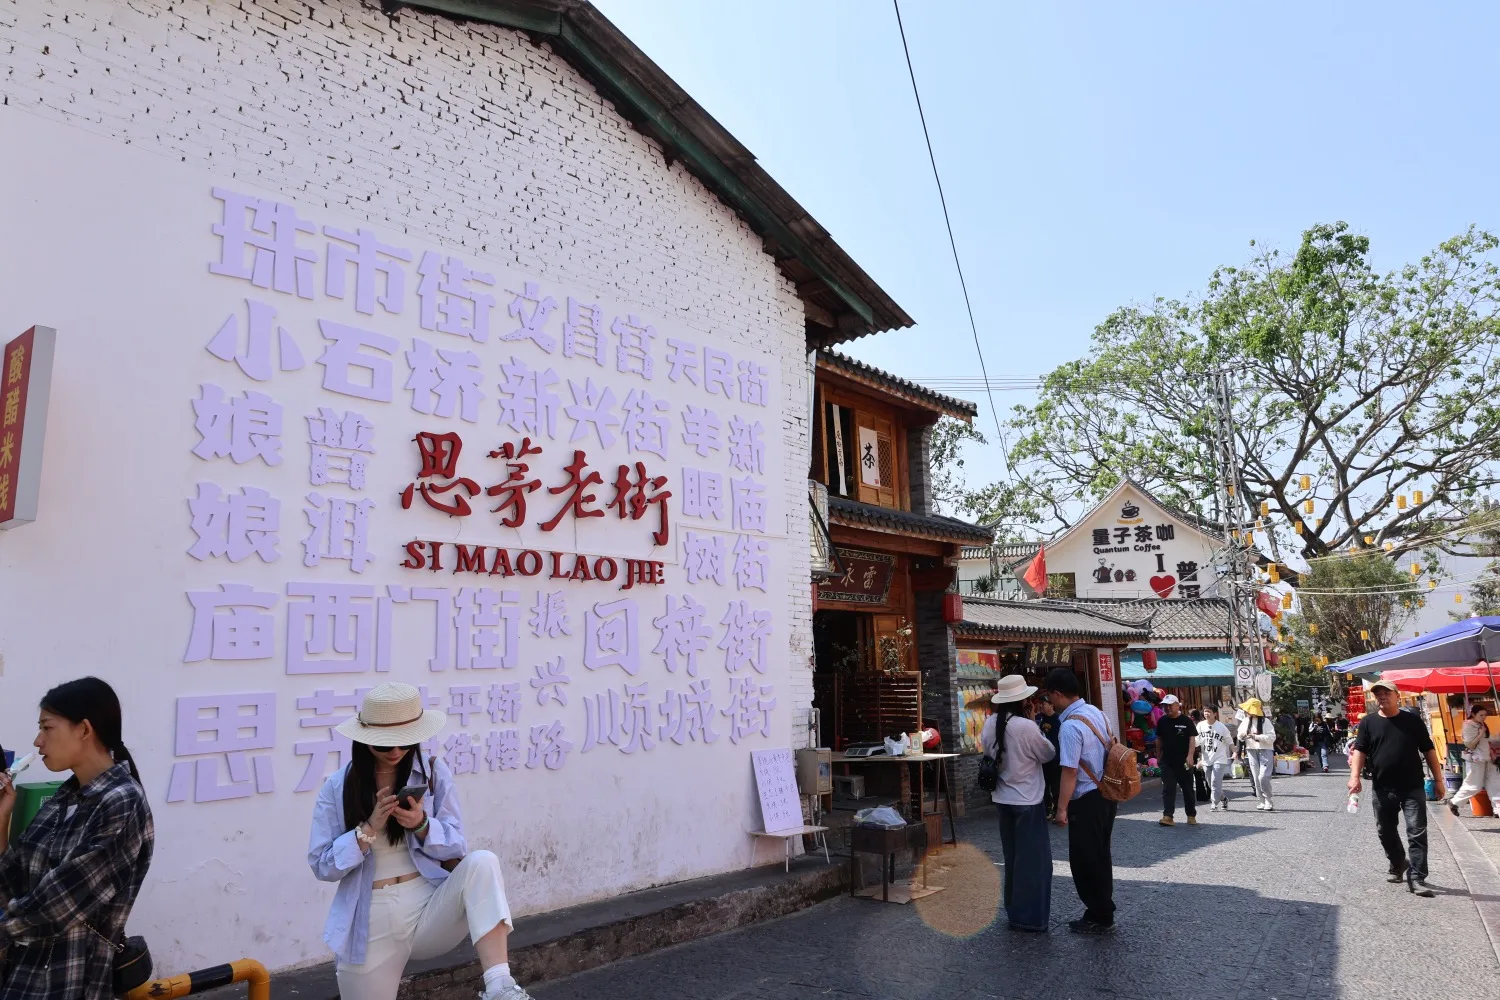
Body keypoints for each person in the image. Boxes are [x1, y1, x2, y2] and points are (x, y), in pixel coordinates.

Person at [309, 683, 532, 1000]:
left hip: (427, 907)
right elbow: (322, 865)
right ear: (365, 740)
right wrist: (367, 830)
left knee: (483, 862)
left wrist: (423, 825)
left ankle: (500, 986)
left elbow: (458, 847)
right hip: (369, 922)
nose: (396, 752)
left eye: (405, 742)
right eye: (385, 746)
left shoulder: (432, 772)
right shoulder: (338, 787)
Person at [0, 677, 155, 1000]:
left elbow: (57, 905)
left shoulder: (121, 802)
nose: (38, 741)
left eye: (47, 728)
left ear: (84, 729)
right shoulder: (65, 797)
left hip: (68, 982)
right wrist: (2, 820)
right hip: (22, 975)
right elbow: (14, 879)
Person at [1348, 679, 1447, 897]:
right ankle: (1397, 863)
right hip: (1383, 786)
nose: (1382, 697)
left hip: (1413, 785)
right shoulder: (1368, 723)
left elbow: (1429, 750)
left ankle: (1417, 877)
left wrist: (1439, 780)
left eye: (1387, 693)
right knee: (1385, 830)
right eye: (1378, 694)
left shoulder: (1412, 721)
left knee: (1416, 832)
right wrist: (1354, 777)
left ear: (1397, 696)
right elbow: (1360, 751)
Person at [980, 675, 1056, 933]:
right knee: (1035, 861)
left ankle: (1014, 911)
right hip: (1028, 799)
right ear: (1023, 700)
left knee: (1012, 857)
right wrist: (1034, 722)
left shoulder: (990, 723)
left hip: (1002, 798)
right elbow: (1048, 754)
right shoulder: (1025, 727)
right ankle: (1031, 917)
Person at [1048, 667, 1117, 935]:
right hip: (1106, 794)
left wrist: (1061, 808)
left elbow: (1069, 770)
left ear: (1057, 693)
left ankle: (1099, 914)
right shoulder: (1098, 713)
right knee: (1100, 854)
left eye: (1049, 697)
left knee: (1085, 858)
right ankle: (1102, 909)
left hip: (1086, 798)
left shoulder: (1070, 726)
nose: (1049, 703)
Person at [1155, 695, 1199, 826]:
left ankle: (1191, 814)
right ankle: (1168, 816)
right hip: (1167, 761)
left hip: (1184, 761)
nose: (1167, 708)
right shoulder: (1162, 721)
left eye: (1170, 705)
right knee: (1168, 788)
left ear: (1177, 705)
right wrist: (1158, 756)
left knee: (1188, 789)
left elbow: (1192, 739)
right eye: (1165, 705)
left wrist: (1190, 756)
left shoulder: (1186, 721)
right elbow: (1159, 739)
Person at [1448, 705, 1499, 817]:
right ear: (1473, 714)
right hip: (1476, 759)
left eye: (1485, 715)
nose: (1484, 717)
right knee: (1474, 784)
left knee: (1494, 783)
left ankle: (1497, 809)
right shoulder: (1468, 726)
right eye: (1481, 715)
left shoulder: (1481, 724)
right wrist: (1480, 733)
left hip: (1487, 757)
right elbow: (1469, 744)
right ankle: (1455, 802)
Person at [1238, 698, 1277, 811]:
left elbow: (1271, 738)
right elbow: (1240, 735)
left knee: (1263, 777)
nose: (1247, 711)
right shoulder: (1245, 721)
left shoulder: (1266, 722)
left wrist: (1256, 736)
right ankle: (1261, 800)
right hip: (1251, 750)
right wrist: (1243, 735)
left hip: (1265, 749)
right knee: (1255, 777)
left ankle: (1268, 799)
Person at [1197, 705, 1234, 811]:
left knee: (1215, 782)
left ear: (1215, 714)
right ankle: (1223, 798)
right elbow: (1196, 740)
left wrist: (1235, 752)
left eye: (1208, 711)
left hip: (1220, 759)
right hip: (1206, 759)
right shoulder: (1200, 725)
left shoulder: (1221, 727)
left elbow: (1229, 740)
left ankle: (1214, 803)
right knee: (1210, 783)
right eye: (1204, 711)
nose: (1206, 713)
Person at [1035, 696, 1062, 820]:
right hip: (1044, 759)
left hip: (1056, 759)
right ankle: (1047, 810)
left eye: (1044, 704)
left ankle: (1057, 810)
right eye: (1041, 704)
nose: (1041, 706)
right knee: (1044, 786)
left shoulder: (1058, 720)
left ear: (1051, 705)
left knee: (1056, 786)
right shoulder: (1039, 719)